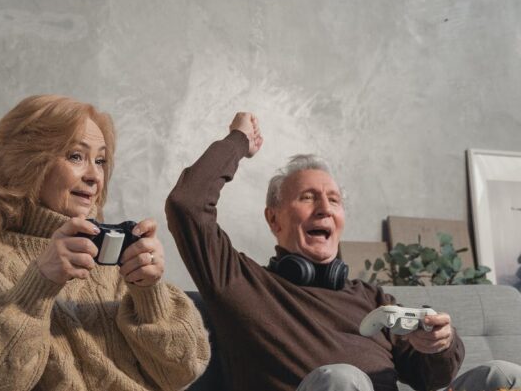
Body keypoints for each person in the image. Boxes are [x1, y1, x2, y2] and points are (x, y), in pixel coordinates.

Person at [165, 112, 521, 391]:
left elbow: (431, 379)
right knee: (342, 380)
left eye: (333, 200)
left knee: (504, 376)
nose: (324, 208)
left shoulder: (375, 300)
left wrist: (438, 345)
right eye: (308, 198)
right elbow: (187, 204)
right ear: (273, 219)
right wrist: (238, 140)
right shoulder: (238, 281)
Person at [0, 95, 210, 391]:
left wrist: (149, 294)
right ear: (27, 162)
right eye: (76, 156)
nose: (94, 176)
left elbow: (183, 371)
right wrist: (39, 285)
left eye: (100, 161)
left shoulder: (114, 254)